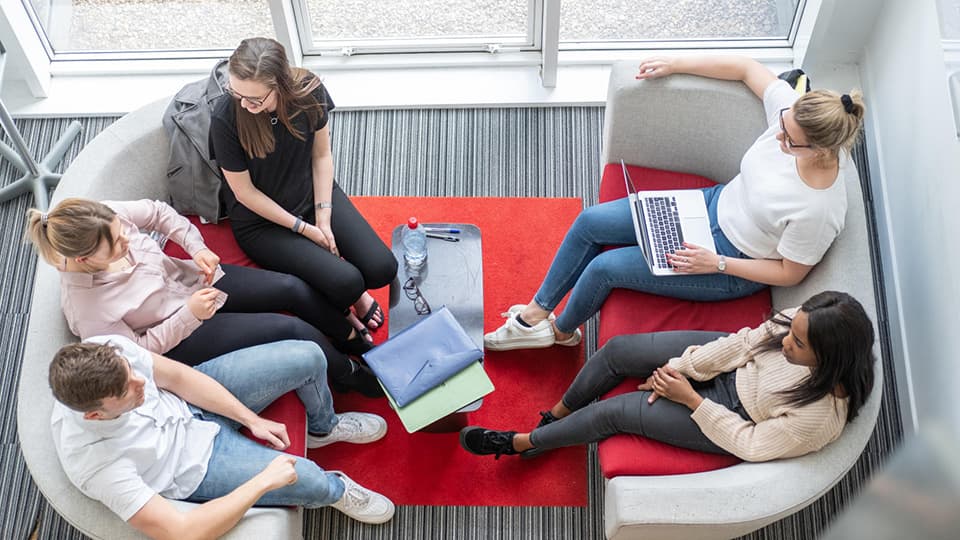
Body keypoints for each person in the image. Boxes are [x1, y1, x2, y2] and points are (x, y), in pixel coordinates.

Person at [483, 55, 866, 351]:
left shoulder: (820, 209)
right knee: (589, 223)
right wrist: (676, 64)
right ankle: (536, 311)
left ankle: (560, 333)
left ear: (819, 149)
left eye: (790, 140)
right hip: (706, 206)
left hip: (728, 263)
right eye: (782, 126)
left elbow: (789, 273)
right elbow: (746, 68)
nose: (778, 137)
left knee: (604, 268)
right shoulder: (791, 116)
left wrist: (715, 262)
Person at [461, 291, 874, 462]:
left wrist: (690, 398)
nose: (786, 341)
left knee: (615, 413)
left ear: (827, 358)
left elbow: (751, 444)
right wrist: (681, 370)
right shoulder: (799, 325)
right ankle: (555, 416)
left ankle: (520, 443)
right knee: (620, 350)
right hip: (730, 365)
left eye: (798, 345)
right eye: (791, 331)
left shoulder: (819, 417)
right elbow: (745, 343)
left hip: (733, 415)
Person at [25, 197, 381, 396]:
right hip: (180, 336)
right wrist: (189, 315)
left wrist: (195, 248)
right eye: (118, 245)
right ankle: (350, 374)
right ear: (85, 259)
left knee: (292, 288)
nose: (127, 242)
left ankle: (352, 339)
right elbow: (139, 354)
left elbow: (159, 213)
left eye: (123, 234)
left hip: (193, 280)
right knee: (290, 330)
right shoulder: (87, 308)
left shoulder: (104, 218)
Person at [49, 337, 395, 538]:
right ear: (94, 415)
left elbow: (179, 379)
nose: (142, 384)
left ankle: (324, 426)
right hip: (196, 465)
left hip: (191, 405)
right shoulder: (96, 465)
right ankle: (335, 488)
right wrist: (263, 483)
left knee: (307, 355)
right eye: (129, 391)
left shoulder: (106, 350)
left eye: (134, 375)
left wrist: (250, 418)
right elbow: (184, 531)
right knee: (311, 480)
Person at [208, 37, 396, 346]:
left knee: (381, 268)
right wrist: (305, 230)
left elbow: (321, 156)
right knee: (347, 282)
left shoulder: (310, 90)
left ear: (281, 84)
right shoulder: (226, 116)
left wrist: (323, 216)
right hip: (261, 221)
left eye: (254, 99)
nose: (243, 104)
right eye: (236, 93)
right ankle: (344, 305)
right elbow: (244, 194)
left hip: (310, 194)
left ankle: (345, 290)